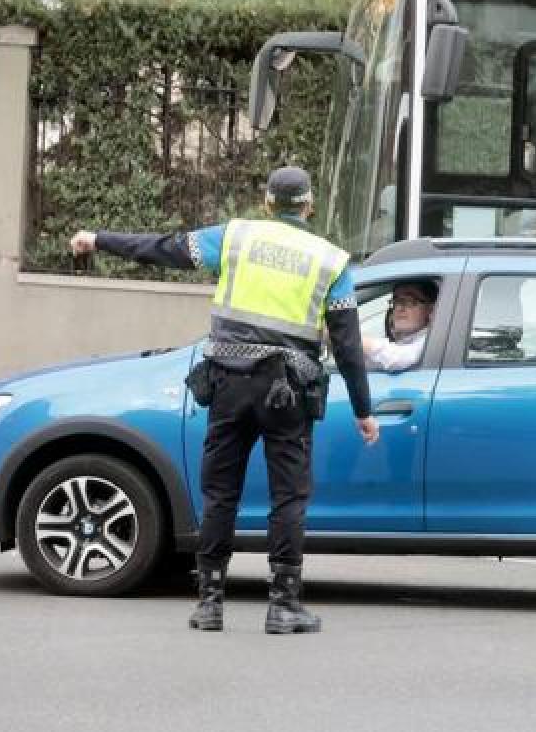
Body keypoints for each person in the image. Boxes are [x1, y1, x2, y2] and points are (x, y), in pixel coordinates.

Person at [69, 166, 379, 635]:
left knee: (221, 492)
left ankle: (209, 602)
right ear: (309, 205)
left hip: (229, 385)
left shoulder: (236, 237)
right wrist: (363, 410)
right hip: (288, 392)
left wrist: (98, 239)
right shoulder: (330, 260)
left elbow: (165, 249)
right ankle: (283, 604)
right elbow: (349, 346)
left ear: (268, 201)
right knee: (288, 497)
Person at [360, 280, 436, 372]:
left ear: (431, 310)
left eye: (409, 301)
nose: (400, 308)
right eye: (396, 301)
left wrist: (354, 339)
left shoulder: (431, 340)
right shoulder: (399, 343)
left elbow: (399, 359)